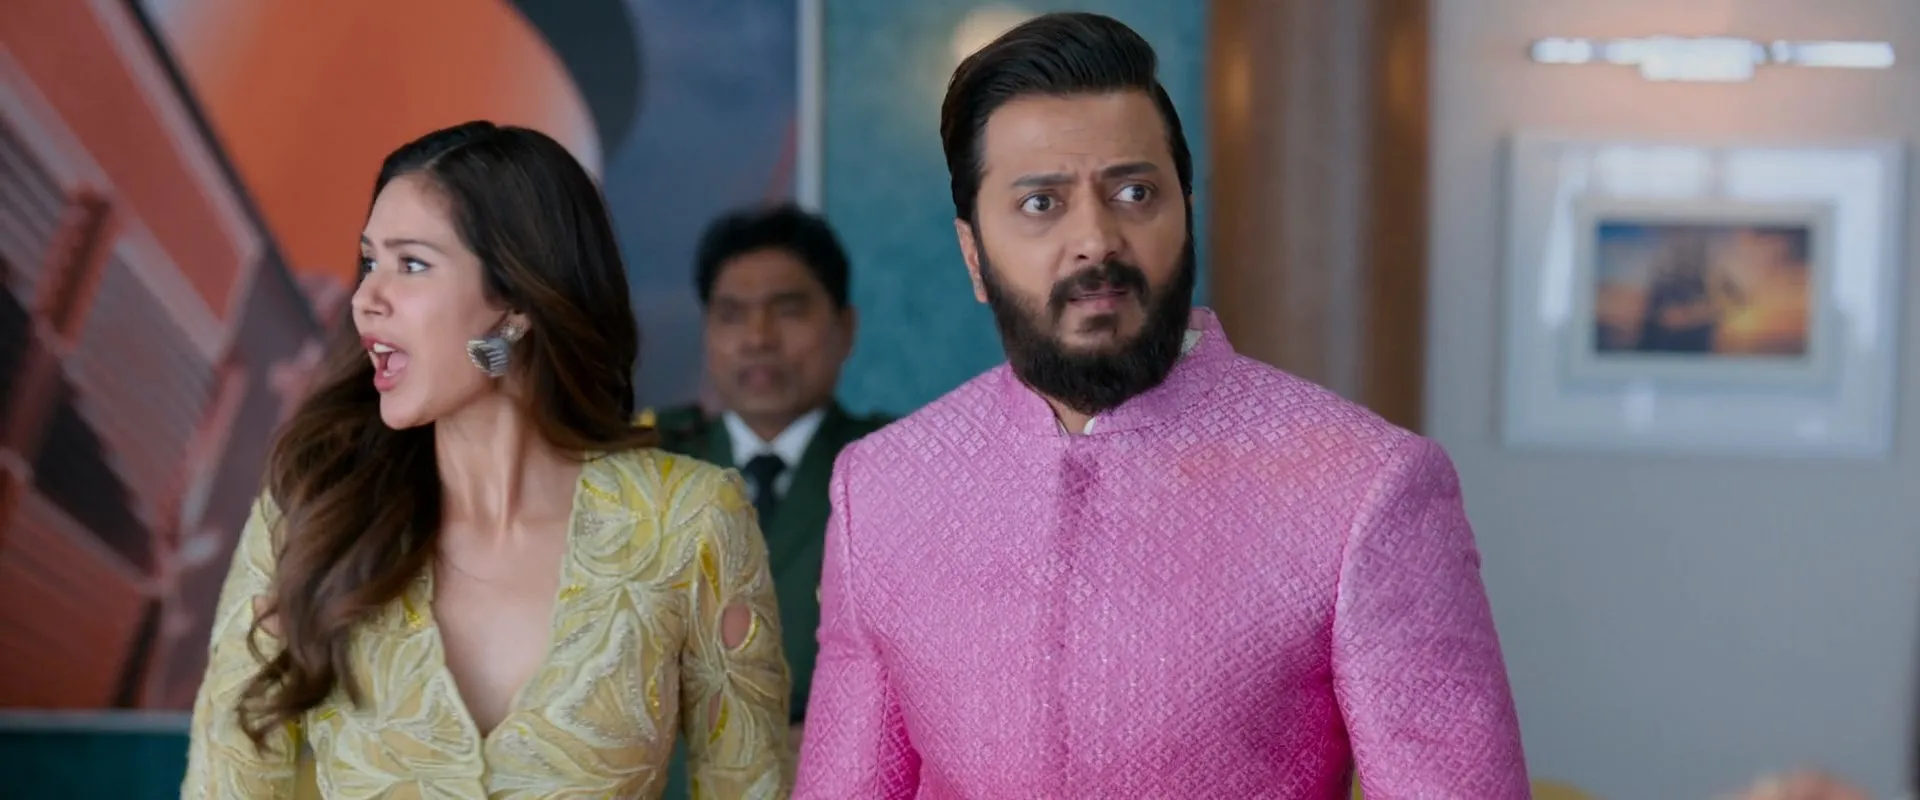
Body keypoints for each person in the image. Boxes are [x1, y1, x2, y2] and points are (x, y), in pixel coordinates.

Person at [792, 12, 1529, 798]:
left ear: (1187, 213)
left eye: (1134, 192)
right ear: (975, 255)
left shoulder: (1362, 487)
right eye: (1041, 203)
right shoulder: (884, 489)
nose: (1096, 239)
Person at [181, 121, 793, 799]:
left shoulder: (689, 521)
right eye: (369, 262)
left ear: (517, 305)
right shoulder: (311, 514)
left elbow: (749, 788)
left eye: (411, 264)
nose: (365, 299)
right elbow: (226, 786)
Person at [651, 203, 891, 797]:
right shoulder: (649, 472)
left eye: (788, 310)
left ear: (845, 328)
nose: (758, 339)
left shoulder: (895, 470)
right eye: (731, 315)